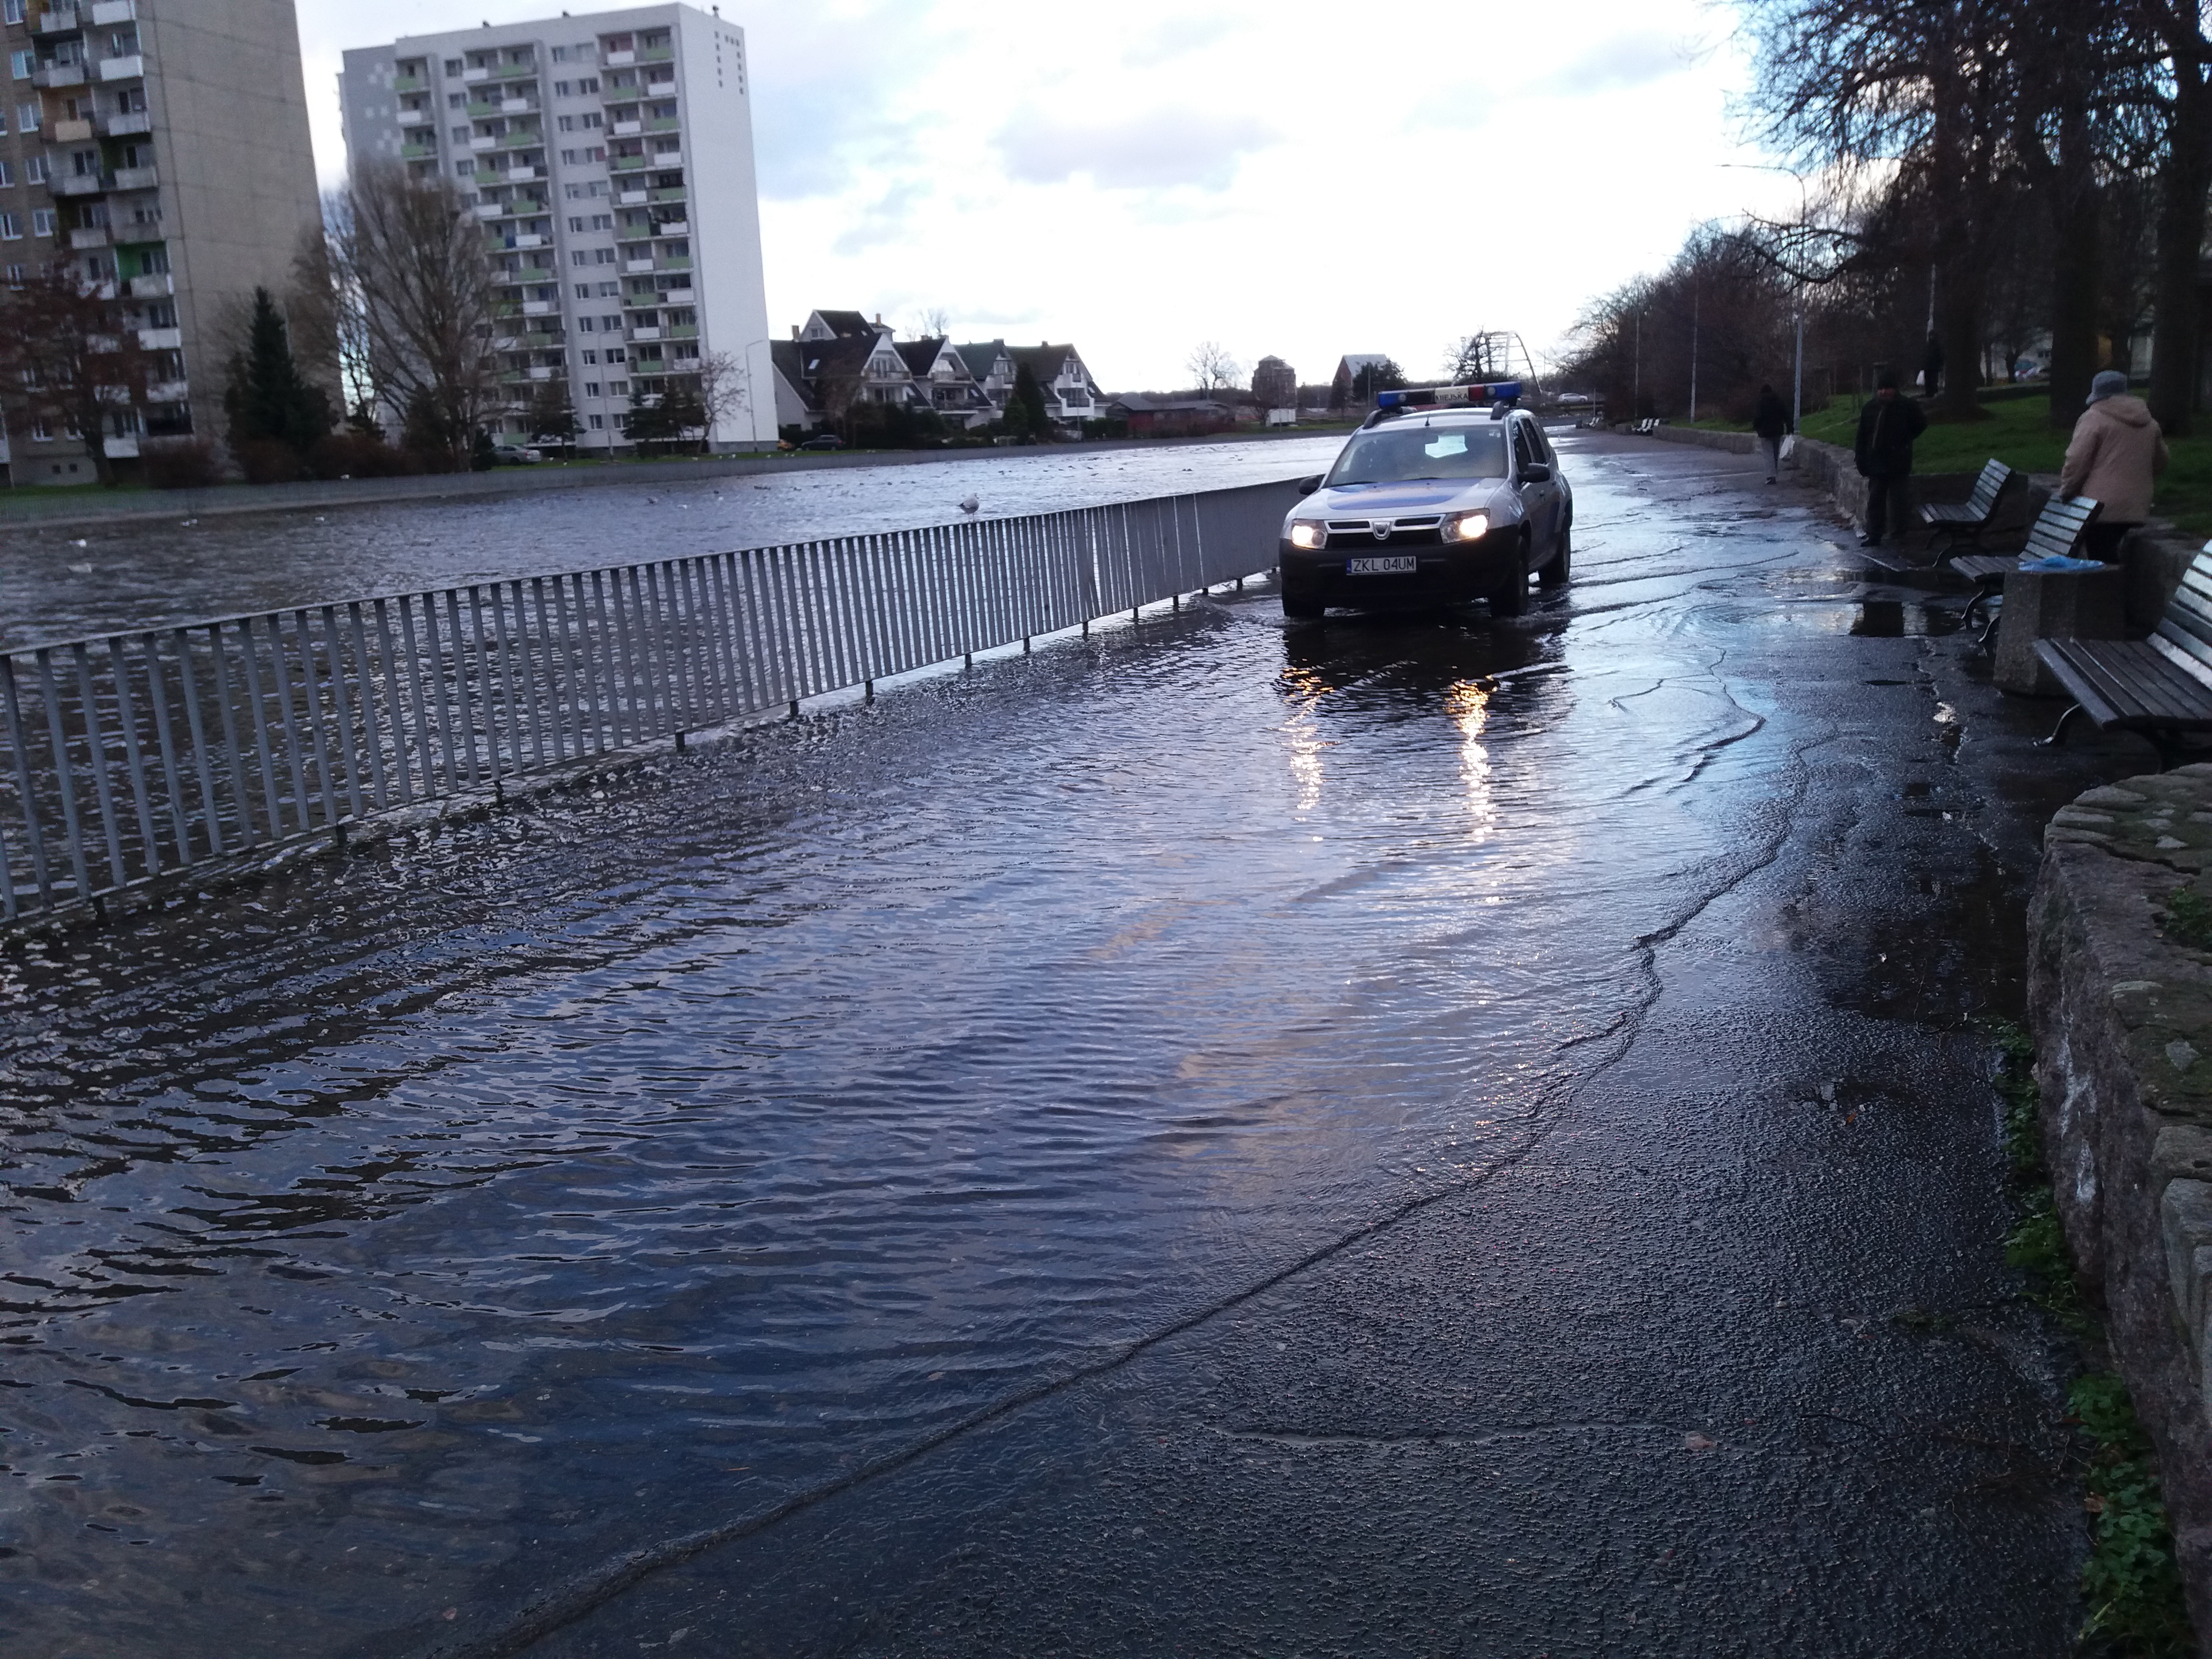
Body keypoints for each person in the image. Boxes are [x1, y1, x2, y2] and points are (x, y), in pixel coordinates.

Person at [2061, 369, 2168, 563]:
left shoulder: (2093, 418)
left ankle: (2105, 593)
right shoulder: (2150, 423)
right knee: (2109, 556)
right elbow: (2161, 460)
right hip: (2137, 505)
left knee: (2100, 559)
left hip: (2100, 508)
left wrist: (2067, 490)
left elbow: (2076, 461)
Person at [1853, 369, 1927, 548]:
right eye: (1881, 389)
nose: (1884, 392)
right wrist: (1861, 460)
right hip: (1876, 462)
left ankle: (1899, 533)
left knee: (1899, 500)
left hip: (1898, 461)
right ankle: (1875, 534)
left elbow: (1920, 425)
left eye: (1888, 389)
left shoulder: (1907, 406)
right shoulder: (1870, 408)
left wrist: (1905, 441)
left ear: (1895, 389)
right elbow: (1862, 437)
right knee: (1876, 500)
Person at [1751, 383, 1790, 483]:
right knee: (1775, 453)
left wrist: (1757, 428)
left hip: (1765, 432)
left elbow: (1758, 418)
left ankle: (1771, 476)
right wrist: (1790, 428)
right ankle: (1774, 473)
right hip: (1778, 431)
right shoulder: (1779, 401)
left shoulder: (1761, 402)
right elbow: (1786, 415)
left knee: (1768, 454)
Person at [1920, 332, 1945, 399]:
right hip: (1928, 366)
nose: (1932, 337)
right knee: (1928, 380)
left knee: (1933, 380)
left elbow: (1940, 356)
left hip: (1934, 367)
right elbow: (1924, 356)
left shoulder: (1937, 346)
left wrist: (1940, 365)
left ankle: (1933, 392)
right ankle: (1928, 393)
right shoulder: (1928, 346)